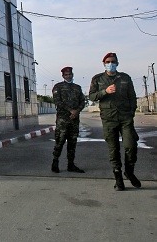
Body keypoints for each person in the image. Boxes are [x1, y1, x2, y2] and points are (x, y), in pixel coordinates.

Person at [89, 52, 140, 191]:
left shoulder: (125, 77)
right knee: (114, 149)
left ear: (117, 63)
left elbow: (132, 97)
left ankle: (129, 172)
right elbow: (92, 96)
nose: (110, 64)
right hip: (109, 118)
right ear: (104, 64)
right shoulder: (98, 79)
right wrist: (105, 91)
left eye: (113, 61)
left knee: (131, 145)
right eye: (108, 62)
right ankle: (118, 178)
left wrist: (131, 113)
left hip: (125, 118)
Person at [51, 66, 86, 174]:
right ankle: (55, 162)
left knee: (72, 143)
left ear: (72, 75)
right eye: (66, 75)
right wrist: (71, 110)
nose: (68, 76)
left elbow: (82, 102)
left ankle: (71, 164)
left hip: (74, 120)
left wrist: (77, 111)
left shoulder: (77, 88)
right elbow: (58, 102)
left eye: (70, 74)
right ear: (63, 76)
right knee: (59, 142)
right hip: (63, 120)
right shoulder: (58, 87)